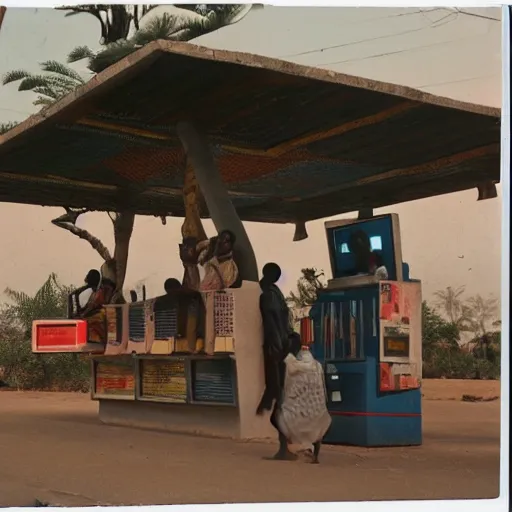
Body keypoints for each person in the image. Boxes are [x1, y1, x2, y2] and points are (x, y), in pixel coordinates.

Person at [273, 339, 332, 464]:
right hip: (316, 410)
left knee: (281, 418)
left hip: (297, 411)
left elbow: (289, 389)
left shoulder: (292, 366)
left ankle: (292, 448)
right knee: (320, 427)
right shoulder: (317, 366)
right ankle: (315, 455)